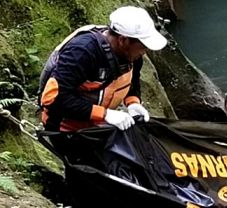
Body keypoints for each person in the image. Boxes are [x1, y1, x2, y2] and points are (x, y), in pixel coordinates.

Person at [39, 6, 167, 132]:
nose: (145, 51)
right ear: (123, 40)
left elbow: (133, 81)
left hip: (96, 125)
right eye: (143, 46)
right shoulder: (82, 52)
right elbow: (54, 99)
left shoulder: (132, 55)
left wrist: (133, 103)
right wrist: (105, 114)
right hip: (65, 127)